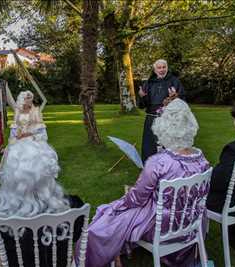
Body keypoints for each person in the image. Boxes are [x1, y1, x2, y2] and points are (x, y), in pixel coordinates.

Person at [77, 99, 210, 267]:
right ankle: (119, 251)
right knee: (121, 213)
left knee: (109, 216)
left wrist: (121, 201)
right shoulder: (201, 159)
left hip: (161, 227)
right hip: (190, 222)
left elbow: (137, 199)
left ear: (164, 127)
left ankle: (102, 255)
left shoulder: (159, 162)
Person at [0, 140, 84, 267]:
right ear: (48, 170)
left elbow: (0, 249)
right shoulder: (74, 207)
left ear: (11, 175)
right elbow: (75, 239)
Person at [206, 101, 235, 254]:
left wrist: (210, 172)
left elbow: (217, 182)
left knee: (199, 194)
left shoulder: (234, 149)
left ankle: (192, 239)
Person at [138, 59, 185, 163]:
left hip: (168, 119)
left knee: (168, 143)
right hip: (151, 117)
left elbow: (182, 101)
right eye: (159, 68)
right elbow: (142, 105)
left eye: (164, 67)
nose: (162, 69)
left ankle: (170, 165)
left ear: (167, 68)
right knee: (150, 144)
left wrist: (175, 97)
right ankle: (149, 165)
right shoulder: (149, 83)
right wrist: (141, 97)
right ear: (155, 70)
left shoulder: (174, 81)